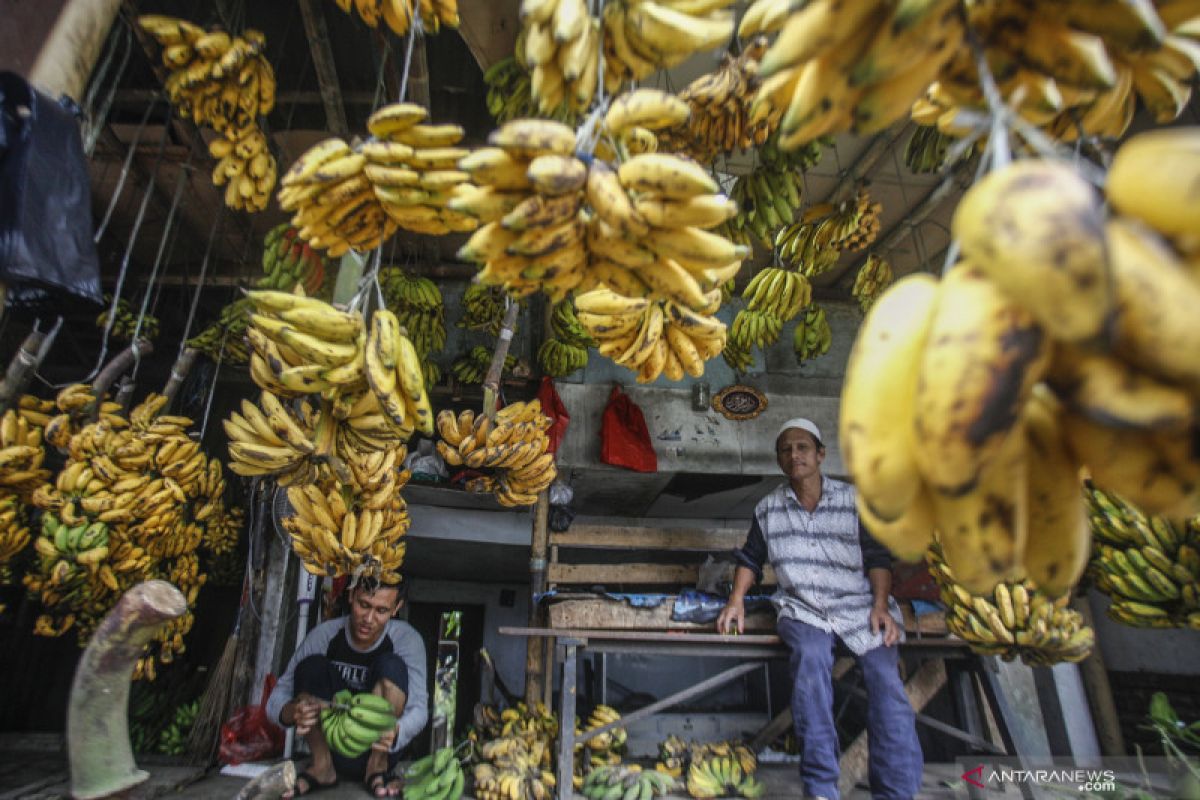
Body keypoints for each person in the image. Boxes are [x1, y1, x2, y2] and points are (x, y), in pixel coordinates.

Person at [716, 418, 923, 800]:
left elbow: (878, 558)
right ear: (779, 460)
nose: (794, 455)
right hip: (804, 609)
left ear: (820, 454)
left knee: (885, 681)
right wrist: (736, 601)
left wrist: (880, 605)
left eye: (802, 448)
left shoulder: (855, 502)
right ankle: (821, 787)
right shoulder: (768, 510)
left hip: (860, 608)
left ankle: (896, 790)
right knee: (810, 667)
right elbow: (751, 559)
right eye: (786, 450)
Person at [267, 580, 428, 798]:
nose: (369, 619)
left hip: (380, 748)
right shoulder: (325, 634)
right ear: (351, 595)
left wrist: (397, 730)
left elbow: (420, 710)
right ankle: (322, 768)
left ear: (396, 608)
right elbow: (276, 699)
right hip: (333, 746)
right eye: (363, 604)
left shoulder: (406, 640)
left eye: (381, 610)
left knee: (392, 665)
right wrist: (294, 711)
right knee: (311, 666)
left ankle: (376, 768)